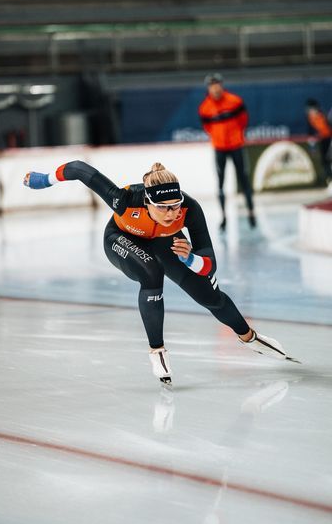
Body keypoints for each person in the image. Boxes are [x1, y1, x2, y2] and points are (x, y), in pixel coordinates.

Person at [24, 160, 297, 387]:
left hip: (165, 241)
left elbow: (209, 263)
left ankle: (249, 336)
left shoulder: (190, 210)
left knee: (208, 293)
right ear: (147, 202)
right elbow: (79, 169)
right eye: (163, 208)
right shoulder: (125, 199)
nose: (171, 213)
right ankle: (157, 350)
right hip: (120, 239)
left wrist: (190, 258)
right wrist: (44, 179)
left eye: (175, 206)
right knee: (151, 273)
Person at [199, 72, 256, 230]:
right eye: (212, 86)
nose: (215, 89)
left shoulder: (235, 101)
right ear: (208, 89)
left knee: (244, 180)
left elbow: (243, 120)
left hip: (236, 146)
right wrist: (219, 138)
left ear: (222, 85)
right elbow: (208, 127)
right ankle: (223, 217)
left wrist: (235, 135)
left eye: (217, 85)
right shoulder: (205, 108)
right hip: (220, 149)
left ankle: (251, 213)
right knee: (221, 183)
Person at [305, 98, 332, 186]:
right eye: (308, 109)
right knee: (324, 161)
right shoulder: (310, 118)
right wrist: (312, 146)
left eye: (310, 109)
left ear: (315, 108)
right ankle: (329, 179)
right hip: (322, 140)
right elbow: (310, 133)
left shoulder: (323, 115)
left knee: (329, 159)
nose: (309, 111)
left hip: (329, 139)